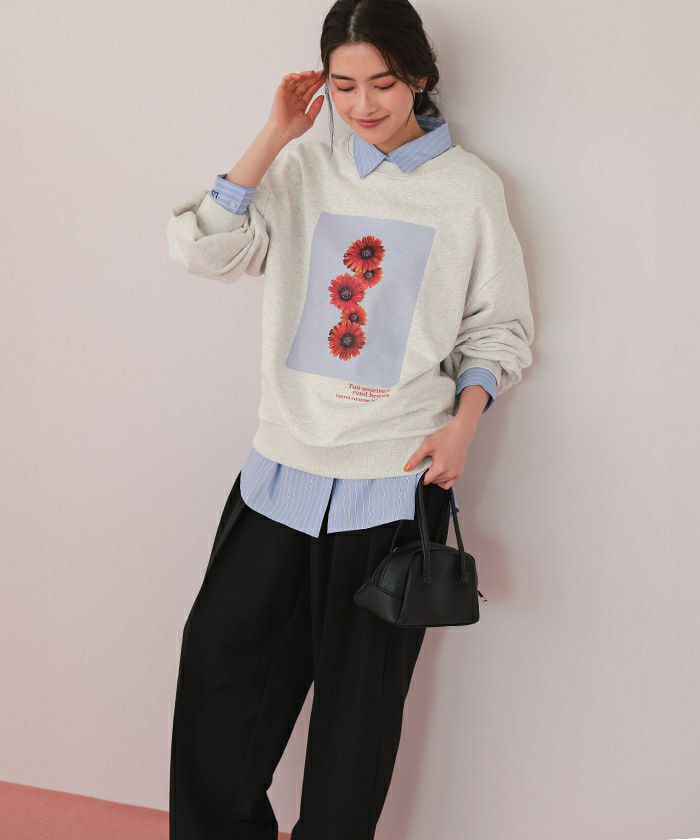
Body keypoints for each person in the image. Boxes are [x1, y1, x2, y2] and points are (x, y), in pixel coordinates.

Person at [165, 1, 535, 837]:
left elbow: (498, 330)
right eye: (343, 85)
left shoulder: (469, 191)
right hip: (282, 474)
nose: (363, 104)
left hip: (394, 484)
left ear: (420, 78)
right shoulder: (302, 168)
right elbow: (204, 251)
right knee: (221, 679)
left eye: (383, 83)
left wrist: (465, 423)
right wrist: (274, 135)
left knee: (355, 724)